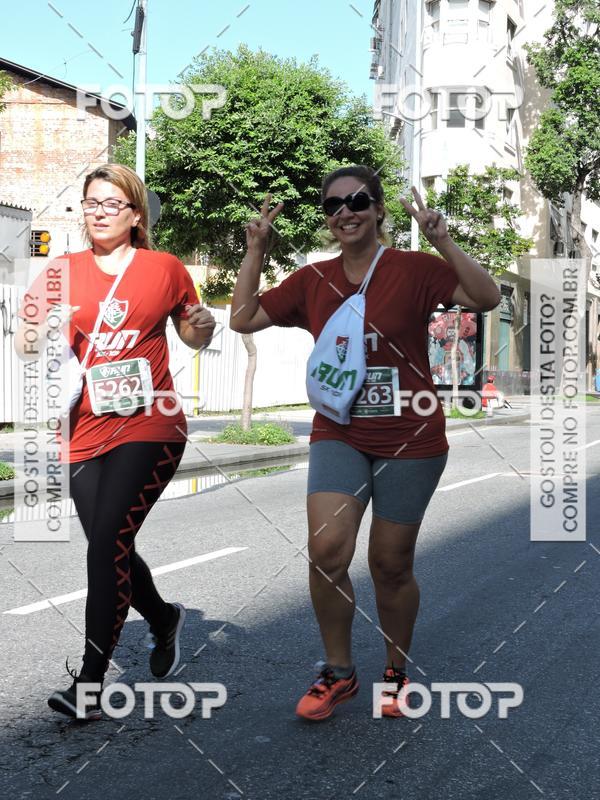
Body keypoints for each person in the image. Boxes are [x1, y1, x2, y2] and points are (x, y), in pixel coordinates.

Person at [230, 165, 500, 720]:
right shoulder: (313, 280)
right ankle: (339, 672)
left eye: (356, 201)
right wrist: (256, 247)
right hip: (339, 431)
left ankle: (396, 671)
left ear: (378, 210)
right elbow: (243, 318)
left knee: (390, 563)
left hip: (411, 435)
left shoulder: (415, 269)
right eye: (333, 206)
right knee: (327, 552)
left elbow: (486, 296)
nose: (344, 212)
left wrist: (441, 238)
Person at [15, 163, 216, 720]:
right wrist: (38, 328)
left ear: (135, 215)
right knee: (114, 546)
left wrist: (203, 324)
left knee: (105, 544)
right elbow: (25, 344)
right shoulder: (61, 270)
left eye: (111, 204)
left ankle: (91, 682)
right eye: (91, 202)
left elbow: (193, 333)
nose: (99, 212)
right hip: (83, 428)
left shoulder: (164, 268)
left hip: (151, 422)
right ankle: (163, 618)